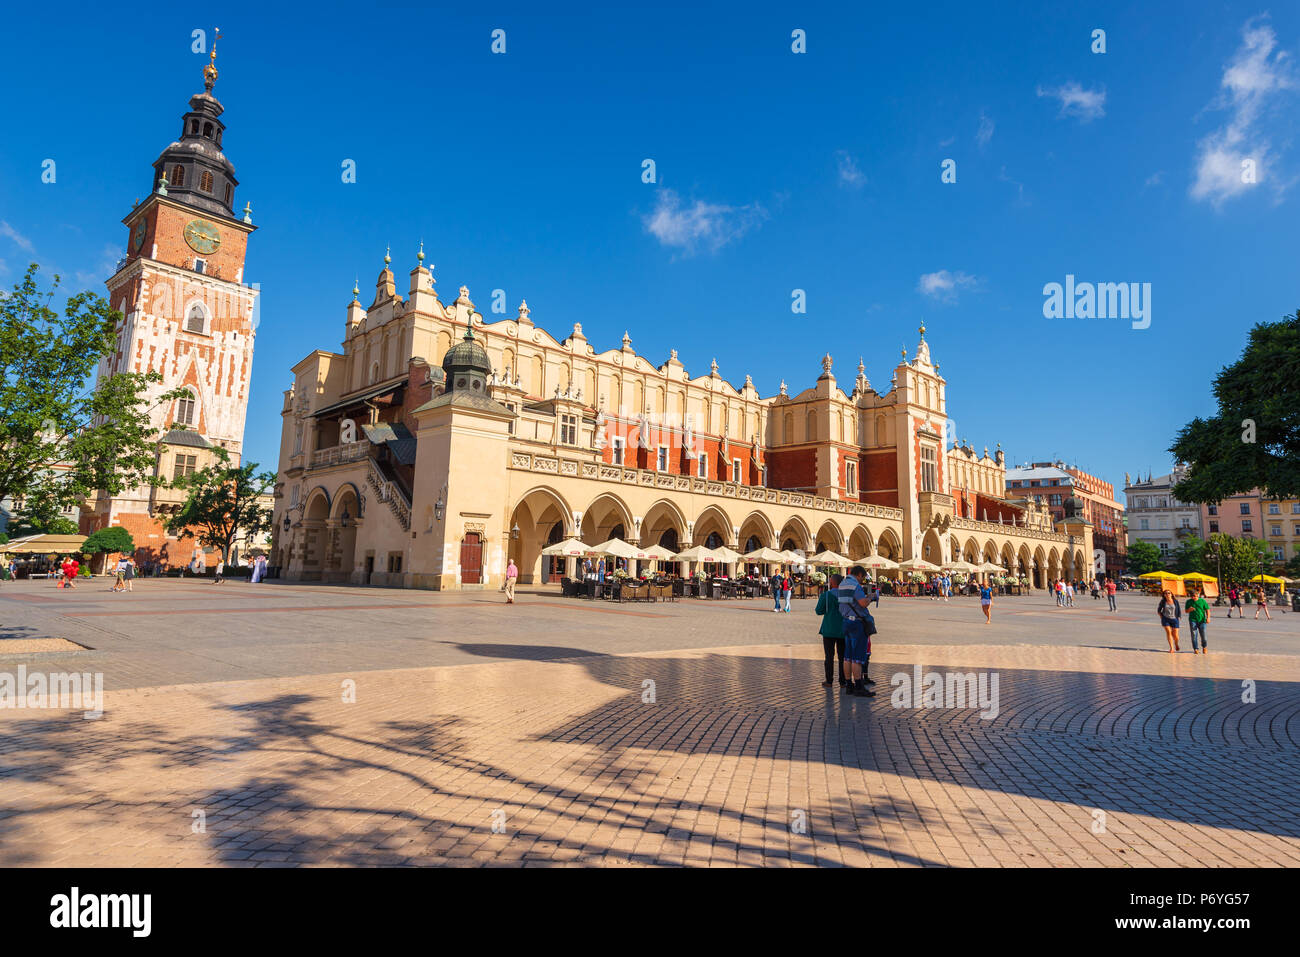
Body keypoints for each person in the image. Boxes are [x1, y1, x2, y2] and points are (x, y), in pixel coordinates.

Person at [836, 566, 876, 697]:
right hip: (857, 623)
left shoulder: (842, 584)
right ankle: (859, 686)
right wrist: (870, 597)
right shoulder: (855, 585)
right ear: (859, 574)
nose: (862, 580)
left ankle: (849, 685)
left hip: (845, 621)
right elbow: (863, 603)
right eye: (862, 577)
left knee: (847, 656)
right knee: (858, 657)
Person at [815, 573, 845, 689]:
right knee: (843, 657)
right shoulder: (846, 596)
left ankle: (829, 680)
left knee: (829, 656)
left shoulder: (826, 596)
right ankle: (843, 681)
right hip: (843, 629)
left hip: (828, 629)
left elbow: (818, 611)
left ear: (832, 583)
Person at [1185, 587, 1210, 655]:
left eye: (1195, 596)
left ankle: (1204, 647)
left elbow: (1207, 609)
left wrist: (1208, 618)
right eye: (1192, 596)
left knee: (1203, 635)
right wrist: (1189, 610)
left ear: (1198, 595)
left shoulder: (1202, 601)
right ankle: (1195, 648)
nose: (1194, 597)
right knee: (1193, 635)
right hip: (1192, 620)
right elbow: (1186, 611)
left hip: (1202, 620)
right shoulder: (1188, 602)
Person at [1157, 589, 1182, 654]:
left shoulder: (1175, 601)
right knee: (1169, 632)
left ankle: (1176, 644)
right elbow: (1159, 610)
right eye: (1166, 593)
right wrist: (1161, 616)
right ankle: (1171, 648)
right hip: (1166, 619)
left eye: (1169, 593)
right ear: (1164, 595)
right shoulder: (1163, 601)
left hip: (1175, 619)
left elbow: (1179, 609)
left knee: (1175, 634)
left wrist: (1179, 617)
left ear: (1171, 594)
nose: (1167, 594)